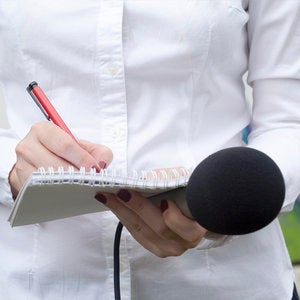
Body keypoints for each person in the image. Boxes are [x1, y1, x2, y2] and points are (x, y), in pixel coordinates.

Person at [0, 1, 299, 299]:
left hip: (225, 282)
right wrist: (11, 168)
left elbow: (288, 123)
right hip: (37, 281)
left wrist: (221, 206)